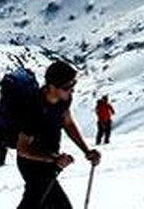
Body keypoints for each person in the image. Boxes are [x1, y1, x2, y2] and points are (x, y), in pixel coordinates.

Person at [15, 60, 101, 209]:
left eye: (73, 85)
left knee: (35, 203)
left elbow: (67, 123)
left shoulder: (63, 100)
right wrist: (54, 158)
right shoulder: (34, 108)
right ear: (51, 86)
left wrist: (86, 151)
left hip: (51, 161)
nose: (71, 91)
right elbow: (23, 149)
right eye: (67, 87)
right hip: (32, 164)